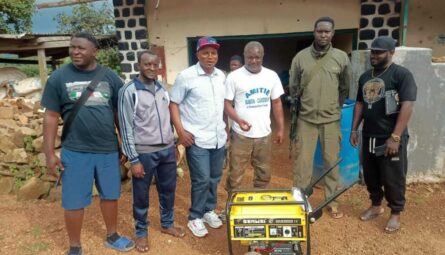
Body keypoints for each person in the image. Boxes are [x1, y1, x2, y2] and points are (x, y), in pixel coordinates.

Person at [42, 32, 134, 255]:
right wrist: (49, 154)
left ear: (95, 51)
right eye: (72, 47)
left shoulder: (109, 77)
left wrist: (124, 144)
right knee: (73, 201)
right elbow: (51, 117)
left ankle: (112, 235)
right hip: (75, 151)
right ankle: (75, 246)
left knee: (110, 195)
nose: (75, 51)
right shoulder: (58, 78)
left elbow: (118, 113)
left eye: (81, 48)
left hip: (107, 150)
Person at [118, 50, 185, 252]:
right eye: (147, 64)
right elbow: (125, 127)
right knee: (141, 194)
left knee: (168, 190)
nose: (151, 68)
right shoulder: (128, 91)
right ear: (139, 65)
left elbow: (167, 120)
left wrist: (173, 145)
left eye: (155, 65)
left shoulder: (162, 88)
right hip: (144, 153)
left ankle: (167, 224)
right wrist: (134, 159)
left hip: (166, 150)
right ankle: (141, 233)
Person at [350, 36, 416, 233]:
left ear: (391, 53)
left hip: (390, 137)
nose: (374, 55)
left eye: (379, 52)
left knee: (393, 177)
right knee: (371, 175)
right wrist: (355, 129)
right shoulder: (365, 76)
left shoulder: (401, 75)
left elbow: (407, 104)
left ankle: (395, 213)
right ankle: (376, 206)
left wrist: (395, 137)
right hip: (369, 135)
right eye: (373, 51)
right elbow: (360, 104)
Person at [289, 16, 351, 219]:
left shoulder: (341, 57)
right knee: (302, 164)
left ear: (332, 34)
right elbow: (294, 87)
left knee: (331, 162)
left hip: (331, 121)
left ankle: (332, 201)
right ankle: (300, 200)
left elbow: (345, 87)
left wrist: (333, 107)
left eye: (327, 31)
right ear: (314, 32)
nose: (323, 35)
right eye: (319, 31)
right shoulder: (300, 57)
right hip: (306, 120)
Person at [169, 36, 227, 237]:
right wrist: (181, 132)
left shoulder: (221, 76)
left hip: (218, 137)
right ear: (197, 55)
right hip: (197, 138)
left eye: (213, 53)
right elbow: (173, 103)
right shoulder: (186, 76)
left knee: (214, 178)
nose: (210, 57)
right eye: (205, 52)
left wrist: (226, 126)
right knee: (201, 180)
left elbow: (223, 104)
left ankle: (209, 210)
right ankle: (195, 216)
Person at [224, 41, 285, 192]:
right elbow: (226, 104)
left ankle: (259, 204)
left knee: (263, 173)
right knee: (235, 173)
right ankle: (232, 206)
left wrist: (281, 129)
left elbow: (277, 103)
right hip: (240, 134)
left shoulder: (271, 76)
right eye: (250, 57)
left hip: (264, 134)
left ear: (262, 56)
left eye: (257, 57)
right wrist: (238, 120)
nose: (253, 61)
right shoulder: (234, 77)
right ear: (244, 56)